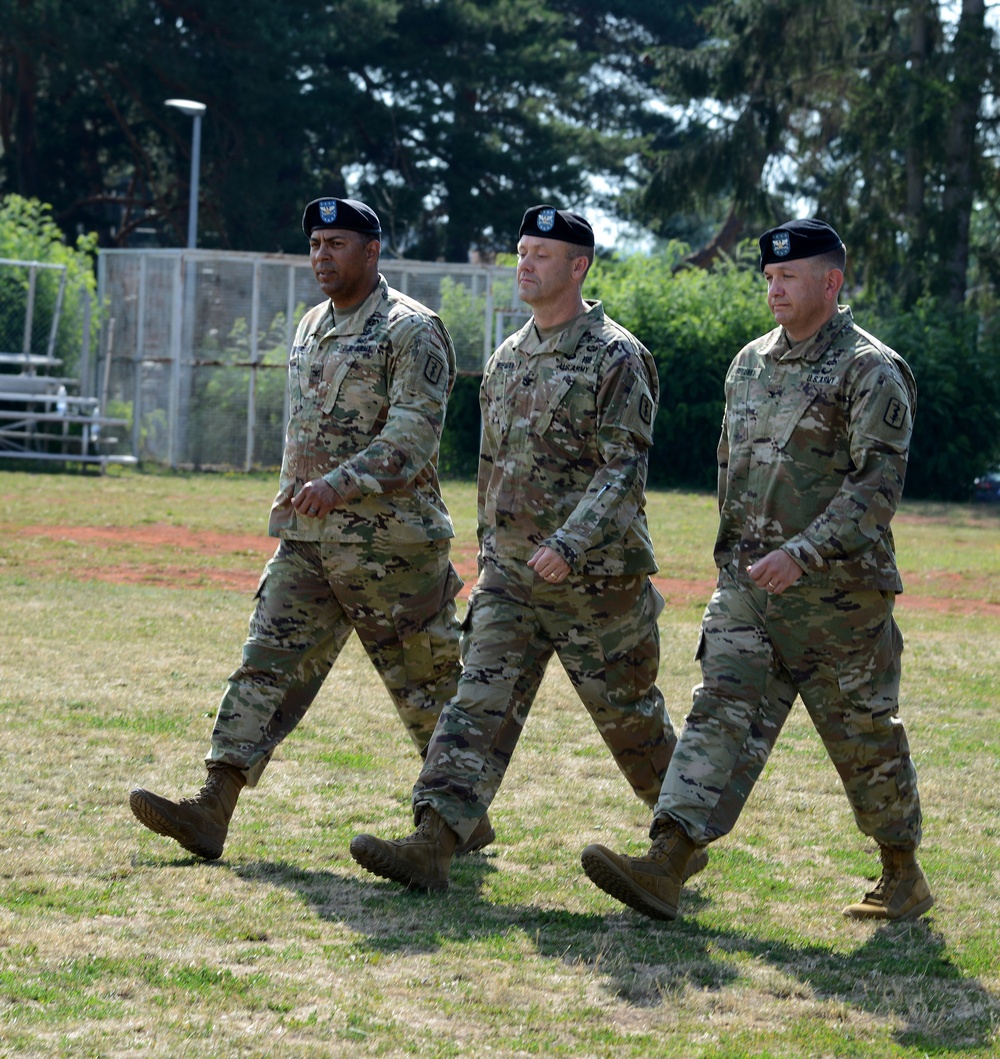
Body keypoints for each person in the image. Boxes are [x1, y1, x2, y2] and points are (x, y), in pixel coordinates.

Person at [581, 218, 932, 923]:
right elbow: (730, 468)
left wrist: (801, 552)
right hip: (750, 592)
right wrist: (736, 560)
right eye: (769, 278)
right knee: (718, 713)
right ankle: (667, 862)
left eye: (789, 277)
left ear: (830, 283)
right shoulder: (747, 363)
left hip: (840, 598)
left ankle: (901, 871)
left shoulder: (871, 369)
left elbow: (875, 487)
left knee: (863, 738)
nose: (775, 289)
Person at [349, 204, 707, 892]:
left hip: (596, 580)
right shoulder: (507, 357)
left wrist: (570, 544)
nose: (525, 264)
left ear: (579, 267)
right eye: (520, 251)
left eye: (541, 254)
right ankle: (433, 840)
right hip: (512, 578)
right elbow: (495, 470)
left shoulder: (616, 355)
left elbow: (623, 467)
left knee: (631, 721)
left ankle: (678, 841)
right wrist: (490, 554)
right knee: (474, 705)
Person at [129, 196, 493, 860]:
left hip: (393, 548)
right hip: (308, 543)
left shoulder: (412, 329)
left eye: (337, 244)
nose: (322, 256)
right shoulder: (310, 326)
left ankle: (455, 819)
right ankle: (213, 804)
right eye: (315, 244)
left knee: (432, 690)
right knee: (263, 665)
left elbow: (413, 431)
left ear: (371, 251)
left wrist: (342, 483)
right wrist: (296, 502)